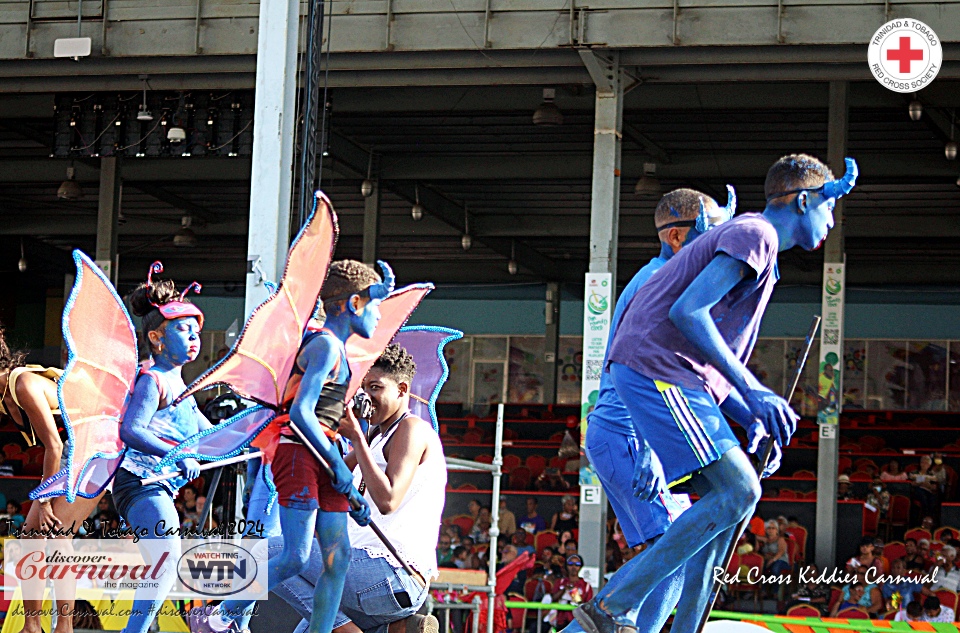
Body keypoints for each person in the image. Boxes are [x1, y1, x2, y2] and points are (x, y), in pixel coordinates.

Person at [575, 154, 857, 633]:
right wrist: (756, 393)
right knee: (741, 490)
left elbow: (707, 356)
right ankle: (613, 605)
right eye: (830, 209)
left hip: (668, 377)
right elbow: (689, 314)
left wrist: (751, 418)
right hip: (658, 374)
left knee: (725, 514)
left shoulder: (755, 245)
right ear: (805, 200)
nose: (832, 222)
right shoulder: (757, 235)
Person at [192, 260, 384, 633]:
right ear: (353, 305)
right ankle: (220, 614)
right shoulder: (325, 346)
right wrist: (339, 468)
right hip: (298, 454)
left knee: (338, 557)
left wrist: (350, 490)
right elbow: (300, 414)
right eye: (374, 306)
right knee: (295, 556)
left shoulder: (342, 353)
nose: (377, 318)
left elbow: (327, 423)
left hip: (322, 456)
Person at [111, 270, 212, 633]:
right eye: (184, 330)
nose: (194, 338)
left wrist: (260, 424)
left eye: (196, 332)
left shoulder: (181, 384)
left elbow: (211, 434)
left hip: (157, 485)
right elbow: (131, 430)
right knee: (166, 562)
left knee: (165, 564)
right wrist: (177, 455)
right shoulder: (152, 379)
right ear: (156, 338)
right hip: (138, 482)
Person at [1, 321, 110, 633]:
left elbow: (54, 444)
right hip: (76, 451)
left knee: (57, 535)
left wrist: (45, 499)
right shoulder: (5, 393)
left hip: (94, 448)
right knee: (30, 540)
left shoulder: (23, 385)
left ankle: (64, 626)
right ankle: (32, 625)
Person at [334, 343, 447, 633]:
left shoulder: (412, 430)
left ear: (401, 389)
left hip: (391, 572)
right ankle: (396, 630)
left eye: (375, 387)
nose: (366, 396)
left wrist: (357, 439)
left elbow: (388, 500)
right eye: (362, 387)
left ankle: (224, 616)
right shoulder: (375, 438)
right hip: (362, 571)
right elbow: (330, 477)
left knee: (269, 554)